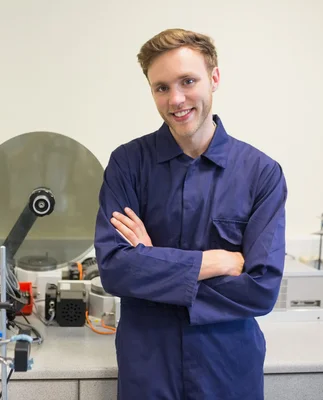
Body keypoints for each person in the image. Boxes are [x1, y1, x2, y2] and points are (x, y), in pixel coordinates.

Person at [94, 28, 287, 400]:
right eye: (161, 87)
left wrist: (150, 263)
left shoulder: (261, 173)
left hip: (228, 367)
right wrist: (214, 262)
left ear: (214, 78)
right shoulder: (128, 164)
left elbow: (261, 290)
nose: (176, 99)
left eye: (188, 81)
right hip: (147, 365)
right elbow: (116, 269)